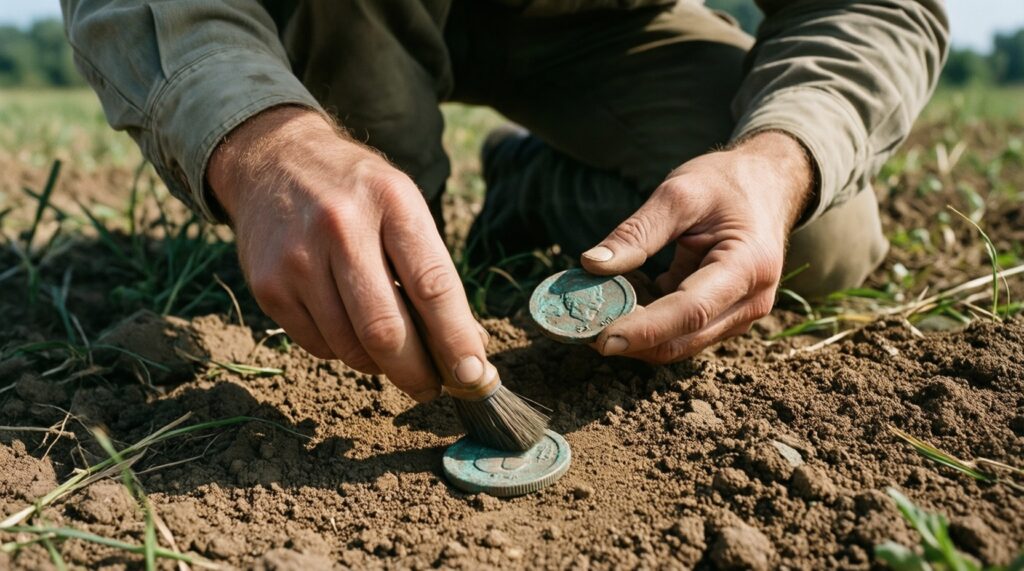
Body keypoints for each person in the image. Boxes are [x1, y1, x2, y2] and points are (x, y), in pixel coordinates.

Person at [60, 0, 948, 403]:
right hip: (352, 12)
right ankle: (370, 153)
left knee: (820, 236)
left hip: (601, 19)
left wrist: (777, 159)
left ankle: (529, 184)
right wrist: (265, 142)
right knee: (370, 278)